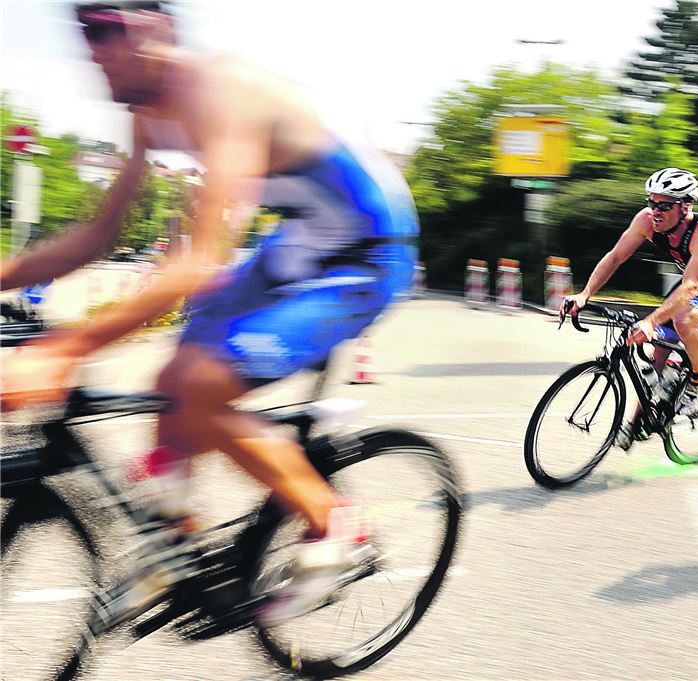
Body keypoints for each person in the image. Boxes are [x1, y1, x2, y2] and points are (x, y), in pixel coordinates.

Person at [0, 1, 418, 625]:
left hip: (367, 251)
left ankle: (338, 524)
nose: (91, 47)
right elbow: (98, 236)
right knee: (170, 379)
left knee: (199, 384)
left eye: (105, 28)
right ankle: (170, 538)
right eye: (82, 29)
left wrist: (64, 348)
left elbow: (200, 258)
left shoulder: (223, 89)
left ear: (155, 27)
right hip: (301, 240)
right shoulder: (146, 113)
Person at [562, 168, 698, 449]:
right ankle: (639, 422)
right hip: (690, 281)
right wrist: (585, 295)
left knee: (684, 320)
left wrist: (649, 321)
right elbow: (615, 258)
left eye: (664, 205)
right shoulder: (647, 221)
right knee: (658, 352)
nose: (655, 211)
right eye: (652, 203)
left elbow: (691, 288)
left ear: (685, 206)